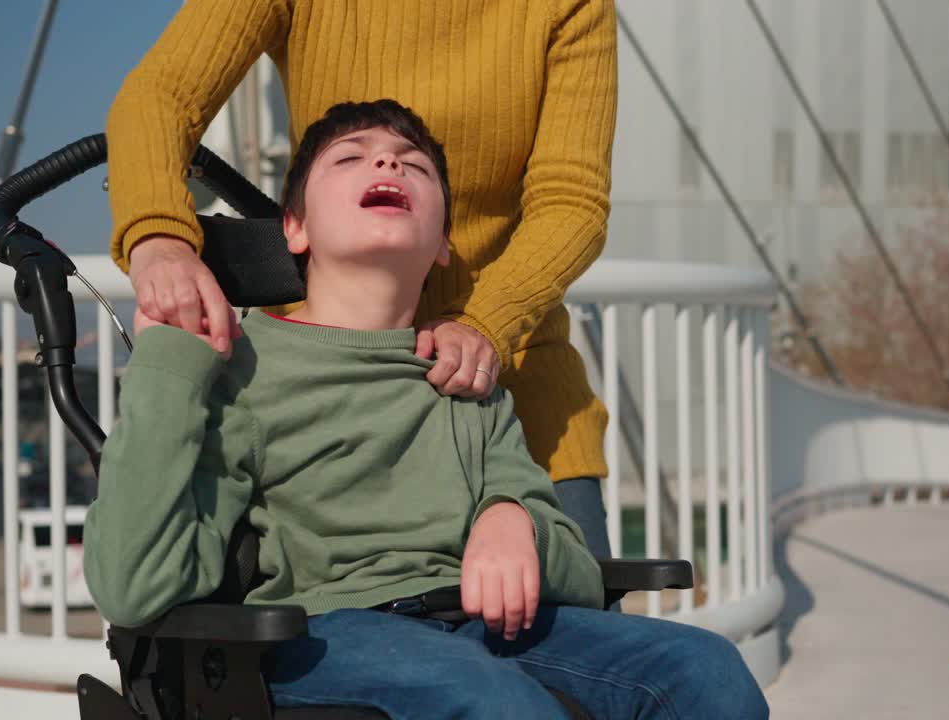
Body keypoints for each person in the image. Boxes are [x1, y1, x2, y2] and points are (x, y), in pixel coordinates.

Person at [85, 100, 768, 719]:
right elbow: (135, 586)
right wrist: (166, 368)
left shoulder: (460, 372)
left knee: (706, 670)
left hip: (484, 624)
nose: (386, 160)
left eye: (413, 164)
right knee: (495, 702)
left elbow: (577, 574)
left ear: (442, 241)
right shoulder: (244, 369)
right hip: (331, 630)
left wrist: (513, 519)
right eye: (350, 157)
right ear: (293, 228)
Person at [107, 0, 619, 560]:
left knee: (589, 633)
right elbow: (162, 94)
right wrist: (160, 241)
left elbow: (570, 201)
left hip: (510, 388)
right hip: (332, 399)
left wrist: (482, 326)